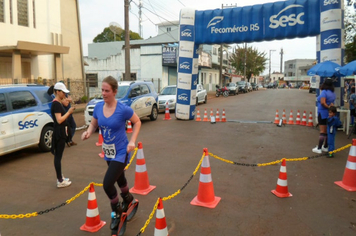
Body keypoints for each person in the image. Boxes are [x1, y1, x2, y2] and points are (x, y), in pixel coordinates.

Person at [81, 76, 141, 231]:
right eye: (102, 90)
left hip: (121, 151)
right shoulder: (98, 107)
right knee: (120, 178)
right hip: (108, 151)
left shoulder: (123, 109)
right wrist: (88, 132)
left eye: (107, 90)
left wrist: (132, 141)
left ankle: (117, 210)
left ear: (115, 92)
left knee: (108, 184)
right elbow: (94, 123)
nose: (103, 93)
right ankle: (128, 199)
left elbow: (137, 122)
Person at [51, 82, 76, 188]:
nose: (64, 94)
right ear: (57, 92)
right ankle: (60, 180)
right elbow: (59, 120)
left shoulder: (58, 102)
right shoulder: (56, 104)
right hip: (59, 132)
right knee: (58, 156)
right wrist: (69, 112)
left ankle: (60, 177)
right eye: (63, 92)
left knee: (58, 156)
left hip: (61, 131)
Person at [312, 78, 336, 154]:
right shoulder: (333, 93)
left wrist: (327, 107)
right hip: (328, 115)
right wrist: (330, 108)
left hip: (322, 113)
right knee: (327, 131)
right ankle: (325, 146)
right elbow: (332, 103)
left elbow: (322, 102)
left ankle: (319, 148)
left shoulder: (324, 92)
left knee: (322, 131)